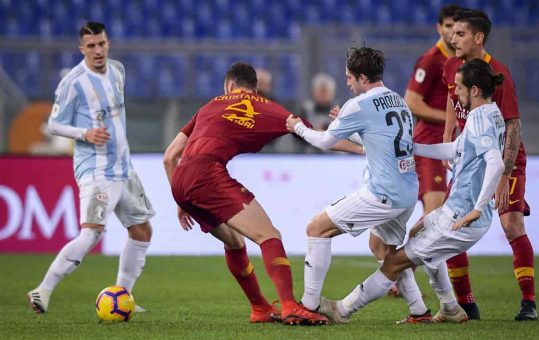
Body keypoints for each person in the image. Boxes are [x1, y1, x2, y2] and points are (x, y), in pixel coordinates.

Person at [163, 63, 361, 325]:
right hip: (207, 174)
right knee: (270, 236)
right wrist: (361, 150)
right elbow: (318, 137)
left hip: (181, 181)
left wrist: (181, 197)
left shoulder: (210, 105)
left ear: (229, 85)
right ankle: (290, 306)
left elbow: (169, 156)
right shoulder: (266, 106)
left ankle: (260, 308)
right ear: (255, 89)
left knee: (234, 242)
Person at [318, 58, 506, 325]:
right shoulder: (490, 114)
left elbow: (495, 162)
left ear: (475, 90)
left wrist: (477, 209)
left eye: (460, 89)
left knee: (393, 261)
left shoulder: (479, 119)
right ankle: (450, 308)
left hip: (462, 217)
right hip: (453, 211)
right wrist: (412, 147)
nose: (456, 94)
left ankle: (342, 309)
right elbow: (455, 149)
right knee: (418, 232)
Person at [286, 46, 431, 324]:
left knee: (316, 229)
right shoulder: (397, 100)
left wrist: (298, 127)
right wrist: (349, 124)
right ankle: (419, 310)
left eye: (350, 78)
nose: (347, 83)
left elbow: (325, 142)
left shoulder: (359, 104)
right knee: (383, 249)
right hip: (408, 191)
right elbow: (375, 140)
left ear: (363, 77)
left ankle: (309, 305)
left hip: (382, 193)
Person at [27, 22, 154, 314]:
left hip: (124, 166)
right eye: (92, 46)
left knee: (142, 231)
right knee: (92, 232)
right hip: (96, 170)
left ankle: (123, 298)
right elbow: (53, 124)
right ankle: (43, 290)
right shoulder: (73, 82)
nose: (98, 50)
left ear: (108, 44)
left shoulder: (118, 70)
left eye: (102, 44)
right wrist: (85, 134)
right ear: (82, 48)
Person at [443, 8, 536, 321]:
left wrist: (503, 174)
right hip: (469, 162)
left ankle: (528, 303)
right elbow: (450, 102)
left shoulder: (499, 73)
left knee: (511, 225)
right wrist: (447, 139)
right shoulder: (451, 67)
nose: (452, 38)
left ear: (478, 38)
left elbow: (513, 125)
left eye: (460, 34)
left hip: (505, 162)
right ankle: (467, 306)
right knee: (451, 226)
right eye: (452, 32)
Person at [405, 4, 460, 216]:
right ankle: (398, 252)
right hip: (430, 144)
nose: (452, 31)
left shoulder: (461, 61)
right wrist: (451, 120)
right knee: (435, 214)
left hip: (451, 145)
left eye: (457, 26)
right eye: (448, 25)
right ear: (439, 28)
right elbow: (411, 102)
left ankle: (399, 251)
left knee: (445, 216)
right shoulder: (431, 60)